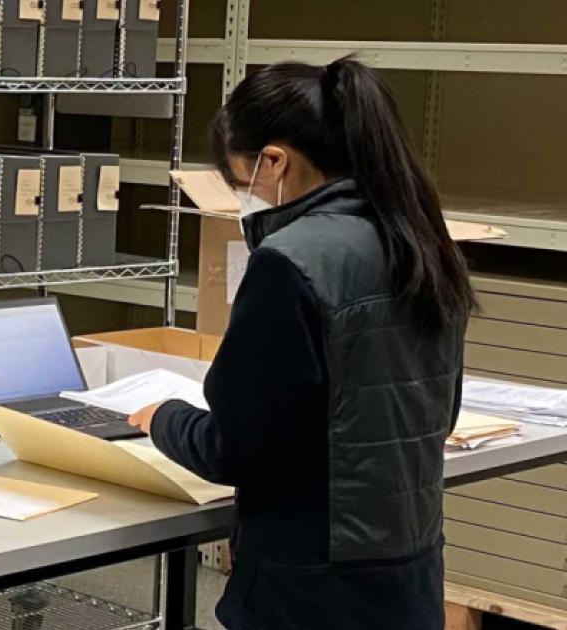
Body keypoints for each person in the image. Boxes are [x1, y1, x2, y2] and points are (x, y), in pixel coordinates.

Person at [128, 55, 474, 630]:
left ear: (275, 161)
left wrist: (163, 418)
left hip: (310, 587)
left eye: (241, 182)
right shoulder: (423, 242)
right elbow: (439, 409)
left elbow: (235, 449)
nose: (244, 199)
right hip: (409, 573)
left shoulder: (291, 262)